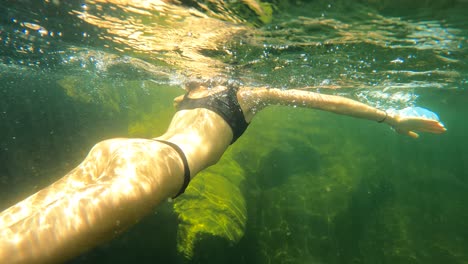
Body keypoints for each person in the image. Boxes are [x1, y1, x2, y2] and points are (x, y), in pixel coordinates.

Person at [0, 81, 446, 263]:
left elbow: (187, 109)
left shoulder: (193, 85)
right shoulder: (248, 91)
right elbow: (323, 100)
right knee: (24, 253)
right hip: (159, 166)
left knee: (15, 226)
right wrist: (390, 118)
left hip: (121, 148)